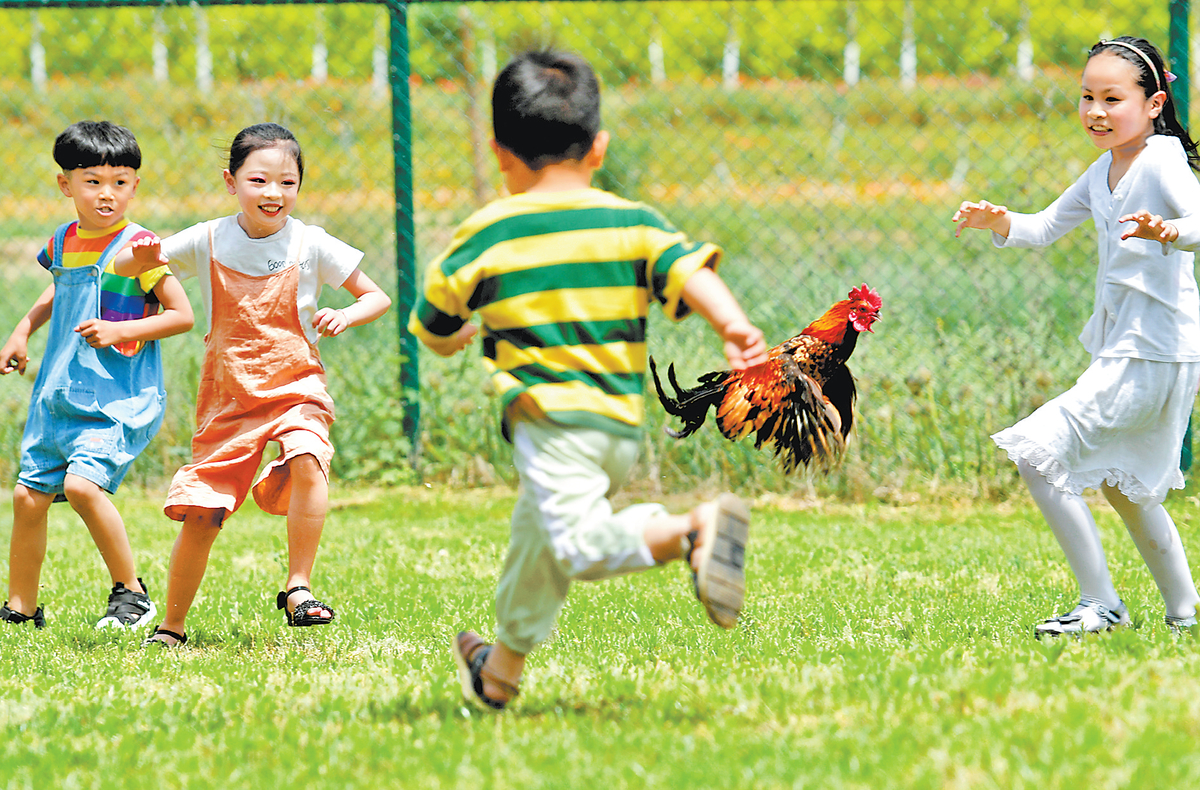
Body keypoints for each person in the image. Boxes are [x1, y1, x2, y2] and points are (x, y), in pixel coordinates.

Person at [409, 49, 770, 711]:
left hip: (550, 419)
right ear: (597, 147)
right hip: (618, 424)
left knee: (575, 545)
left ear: (500, 152)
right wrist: (737, 329)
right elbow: (690, 271)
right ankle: (499, 673)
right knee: (536, 542)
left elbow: (432, 325)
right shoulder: (632, 222)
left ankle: (692, 531)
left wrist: (457, 334)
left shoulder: (487, 232)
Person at [954, 37, 1200, 635]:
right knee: (1128, 489)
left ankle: (1102, 605)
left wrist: (1167, 229)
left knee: (1039, 449)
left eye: (1112, 97)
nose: (1095, 110)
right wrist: (1002, 220)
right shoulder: (1102, 168)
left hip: (1155, 349)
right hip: (1123, 350)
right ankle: (1186, 614)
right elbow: (1042, 227)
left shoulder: (1162, 159)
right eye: (1087, 96)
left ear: (1154, 103)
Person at [113, 123, 391, 646]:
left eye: (288, 183)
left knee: (308, 454)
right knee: (203, 512)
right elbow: (131, 265)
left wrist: (348, 315)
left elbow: (376, 296)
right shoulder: (208, 238)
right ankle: (172, 626)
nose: (273, 194)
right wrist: (143, 249)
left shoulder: (311, 242)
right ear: (231, 181)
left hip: (296, 383)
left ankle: (298, 587)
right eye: (259, 181)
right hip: (229, 395)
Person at [0, 120, 194, 629]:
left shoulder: (139, 248)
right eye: (93, 181)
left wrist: (115, 329)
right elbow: (57, 289)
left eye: (120, 182)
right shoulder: (63, 241)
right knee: (28, 496)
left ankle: (132, 593)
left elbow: (181, 315)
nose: (107, 194)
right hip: (57, 395)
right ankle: (21, 607)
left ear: (134, 185)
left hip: (117, 396)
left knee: (84, 487)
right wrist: (21, 331)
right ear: (66, 184)